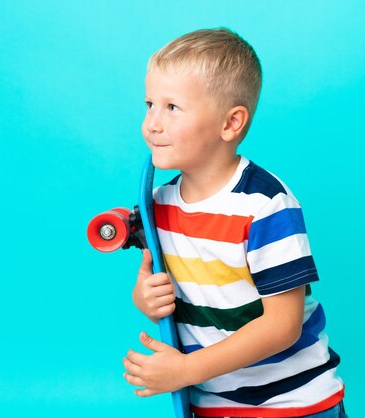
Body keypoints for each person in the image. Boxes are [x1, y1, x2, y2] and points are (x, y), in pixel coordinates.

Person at [122, 28, 346, 418]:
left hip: (292, 403)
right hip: (214, 404)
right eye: (149, 104)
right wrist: (145, 298)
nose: (152, 123)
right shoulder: (160, 205)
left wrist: (186, 370)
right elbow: (179, 294)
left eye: (172, 107)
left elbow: (283, 326)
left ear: (230, 124)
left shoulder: (265, 205)